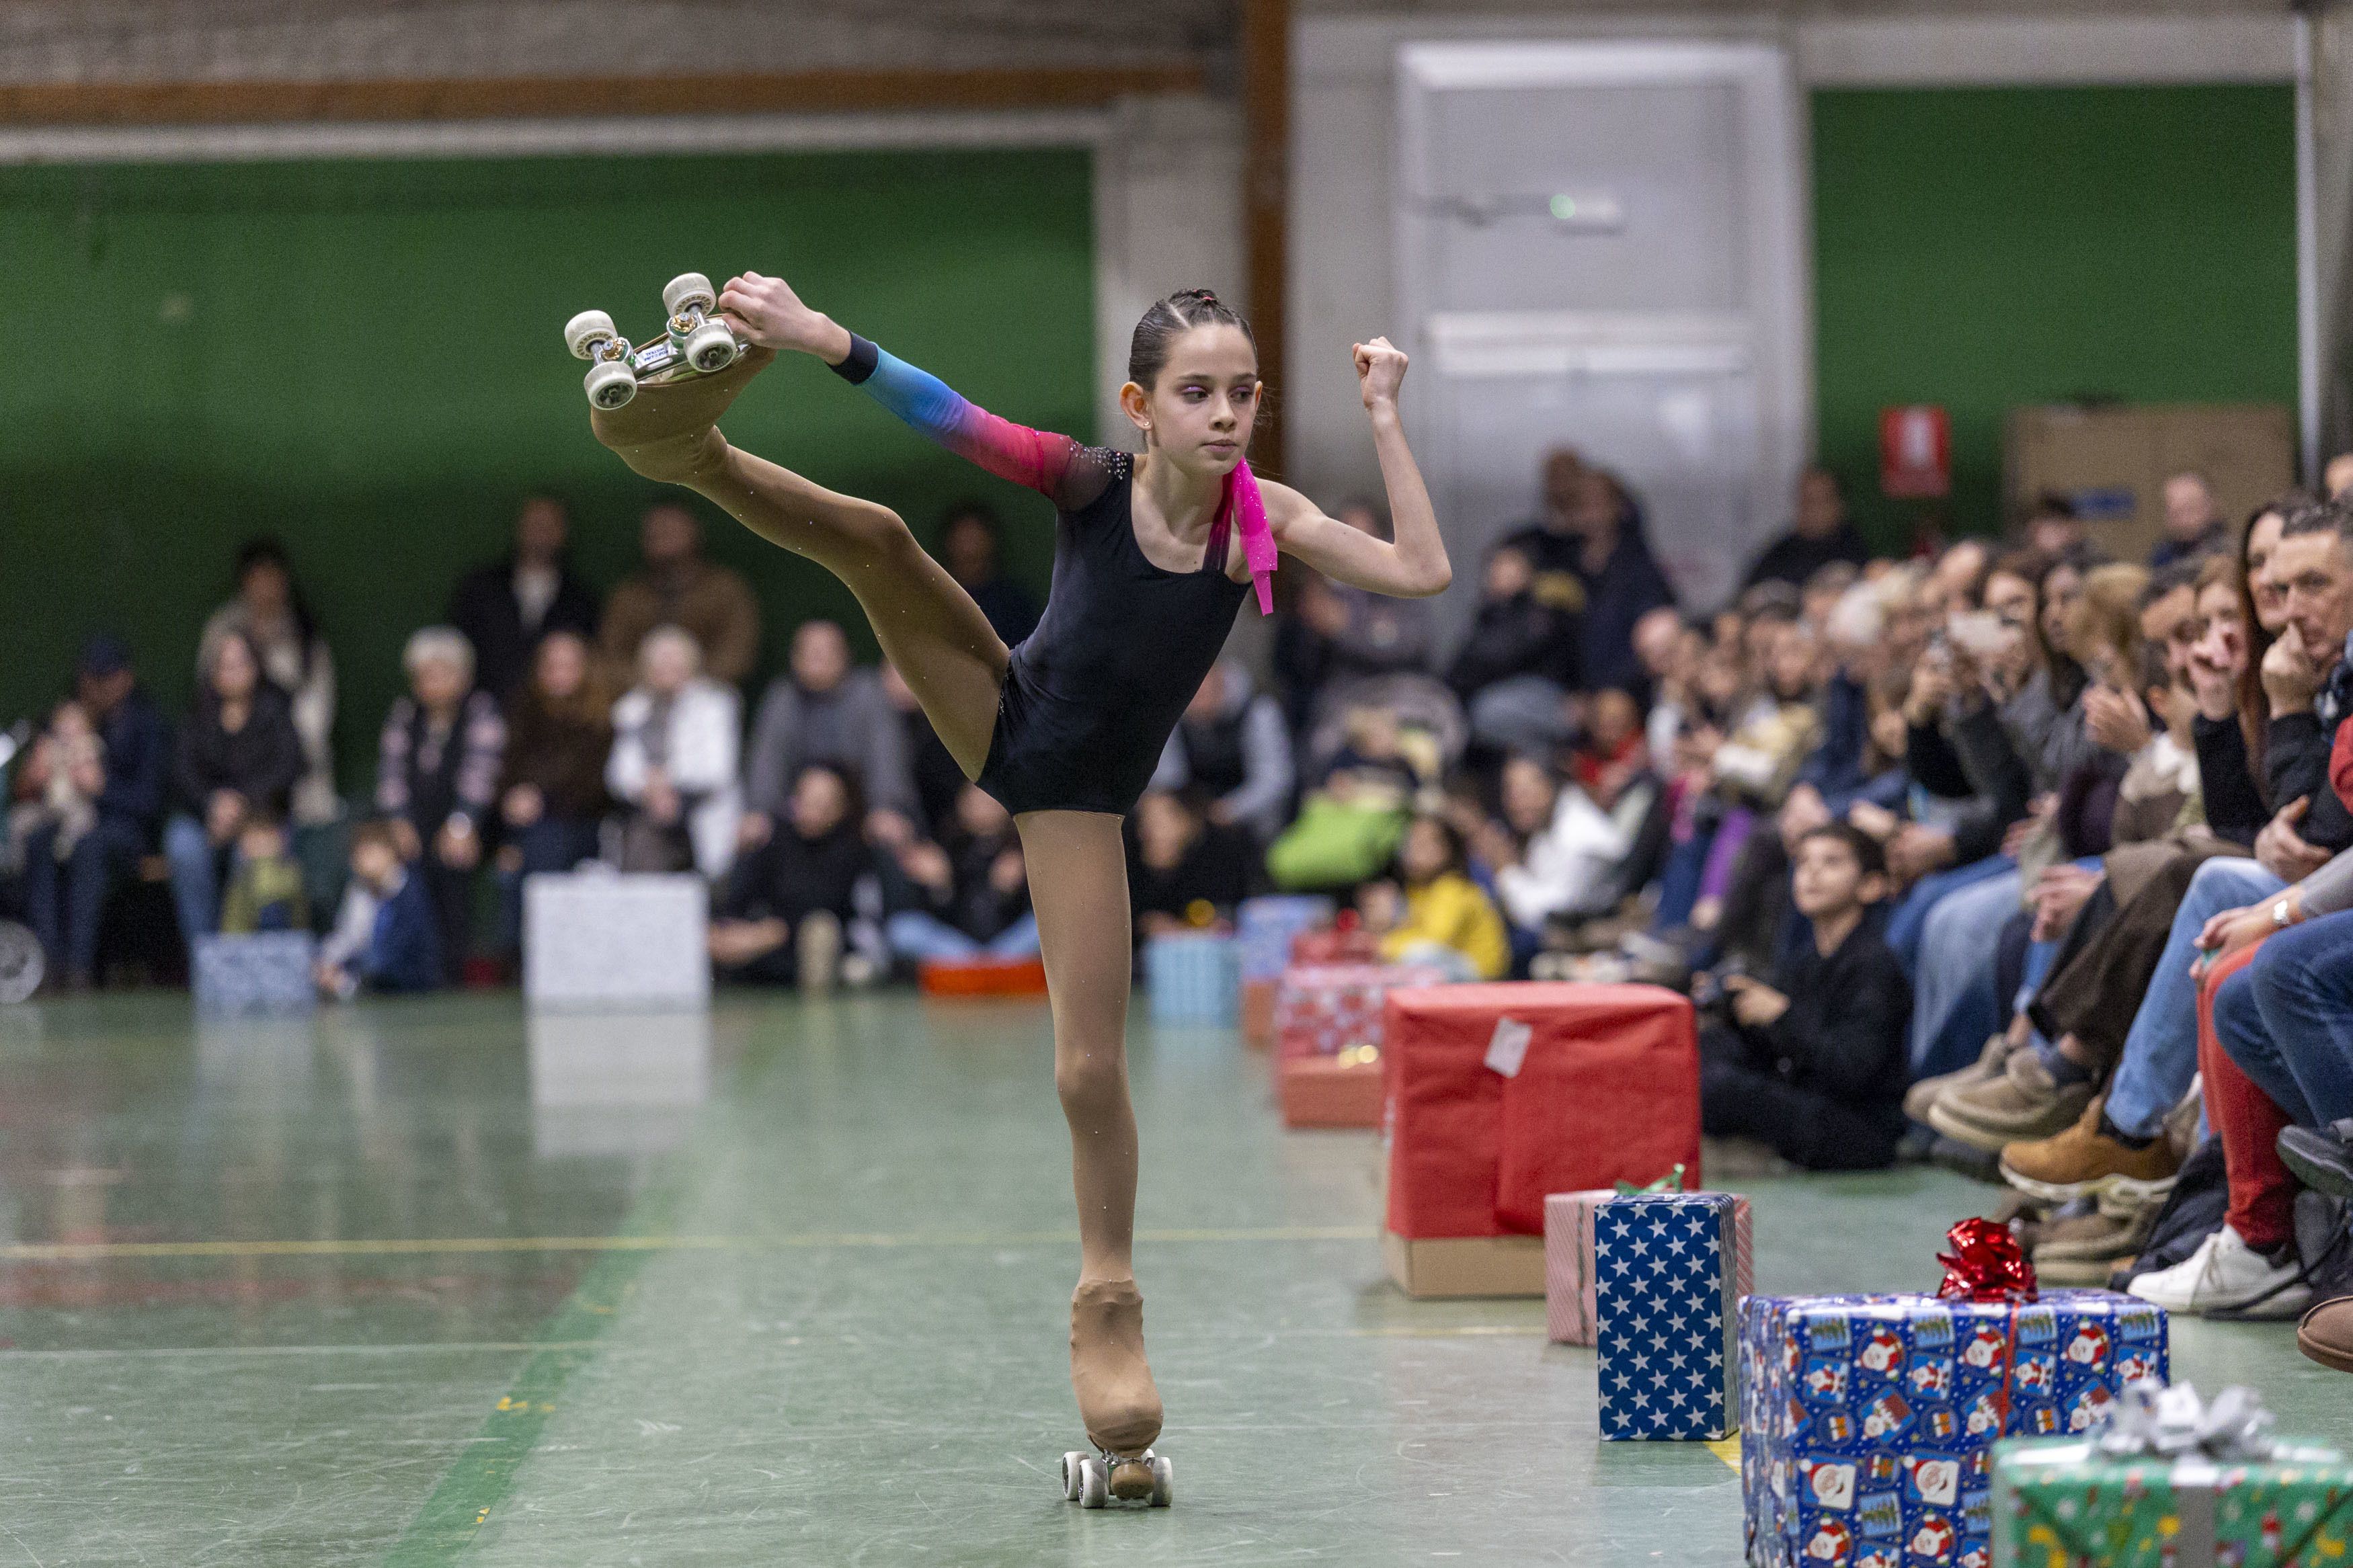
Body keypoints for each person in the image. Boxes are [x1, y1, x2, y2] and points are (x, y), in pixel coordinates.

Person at [584, 272, 1450, 1488]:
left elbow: (1420, 569)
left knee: (1088, 1064)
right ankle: (693, 450)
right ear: (1140, 406)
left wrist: (1385, 412)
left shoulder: (1264, 518)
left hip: (1074, 797)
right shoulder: (1093, 480)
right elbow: (953, 416)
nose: (1225, 414)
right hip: (1007, 711)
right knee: (881, 538)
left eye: (1243, 392)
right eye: (1196, 392)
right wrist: (820, 335)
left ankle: (1109, 1291)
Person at [1700, 823, 1911, 1169]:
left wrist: (1781, 1015)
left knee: (1724, 1090)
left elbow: (1852, 1071)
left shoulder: (1874, 964)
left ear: (1871, 886)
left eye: (1831, 862)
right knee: (1705, 1048)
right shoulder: (1807, 959)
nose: (1811, 872)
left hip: (1858, 1129)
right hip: (1811, 1100)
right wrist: (1734, 1009)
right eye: (1803, 862)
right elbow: (1781, 1050)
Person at [19, 636, 169, 990]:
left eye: (106, 678)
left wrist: (100, 789)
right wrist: (33, 777)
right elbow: (28, 792)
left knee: (90, 846)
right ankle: (47, 965)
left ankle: (79, 969)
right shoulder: (63, 717)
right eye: (90, 678)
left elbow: (148, 804)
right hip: (63, 824)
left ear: (125, 679)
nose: (96, 688)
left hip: (123, 832)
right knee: (39, 842)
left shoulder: (147, 726)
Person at [374, 628, 505, 985]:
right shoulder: (405, 715)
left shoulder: (481, 712)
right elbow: (391, 776)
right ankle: (409, 971)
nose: (431, 682)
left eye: (440, 673)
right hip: (415, 822)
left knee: (454, 863)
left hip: (472, 823)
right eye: (423, 675)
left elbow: (483, 774)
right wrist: (399, 821)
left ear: (462, 676)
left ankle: (453, 972)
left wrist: (463, 824)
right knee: (402, 870)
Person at [163, 629, 303, 947]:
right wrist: (213, 806)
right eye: (225, 665)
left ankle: (258, 959)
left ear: (256, 667)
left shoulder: (275, 711)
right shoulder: (198, 715)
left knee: (258, 852)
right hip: (207, 820)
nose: (234, 672)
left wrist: (245, 808)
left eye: (241, 663)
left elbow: (288, 768)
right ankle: (207, 958)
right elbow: (182, 774)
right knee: (183, 845)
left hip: (263, 817)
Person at [197, 538, 339, 829]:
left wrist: (290, 743)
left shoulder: (303, 629)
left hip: (292, 756)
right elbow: (206, 693)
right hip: (231, 757)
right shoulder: (224, 626)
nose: (266, 586)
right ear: (244, 581)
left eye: (273, 577)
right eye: (257, 577)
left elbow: (320, 704)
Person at [742, 620, 916, 848]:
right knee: (754, 835)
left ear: (845, 655)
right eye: (810, 651)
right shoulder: (782, 696)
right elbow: (767, 761)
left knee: (890, 832)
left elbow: (886, 758)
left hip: (859, 815)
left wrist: (887, 807)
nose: (818, 658)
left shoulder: (869, 692)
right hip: (796, 817)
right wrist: (760, 810)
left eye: (826, 650)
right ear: (795, 657)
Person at [493, 630, 613, 952]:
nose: (560, 674)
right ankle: (522, 951)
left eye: (569, 666)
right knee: (522, 851)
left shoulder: (602, 722)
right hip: (526, 828)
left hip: (583, 826)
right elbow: (504, 774)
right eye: (552, 665)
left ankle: (539, 951)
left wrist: (539, 799)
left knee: (545, 845)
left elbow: (596, 789)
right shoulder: (523, 714)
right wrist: (513, 798)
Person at [709, 762, 871, 992]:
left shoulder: (851, 849)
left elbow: (828, 907)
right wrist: (729, 931)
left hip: (811, 949)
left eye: (824, 803)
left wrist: (771, 933)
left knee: (821, 931)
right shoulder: (773, 839)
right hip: (761, 948)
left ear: (841, 808)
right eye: (808, 798)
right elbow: (739, 898)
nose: (815, 809)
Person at [606, 626, 742, 880]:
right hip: (647, 809)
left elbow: (719, 770)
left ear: (691, 665)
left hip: (701, 809)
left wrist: (668, 780)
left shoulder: (715, 705)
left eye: (675, 662)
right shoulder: (630, 708)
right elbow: (618, 776)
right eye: (660, 663)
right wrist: (650, 789)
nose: (667, 669)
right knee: (647, 833)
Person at [447, 494, 602, 699]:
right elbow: (456, 650)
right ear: (519, 527)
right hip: (486, 708)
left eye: (549, 525)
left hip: (555, 714)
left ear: (564, 531)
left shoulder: (581, 599)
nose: (541, 533)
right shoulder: (480, 589)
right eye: (535, 524)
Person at [600, 502, 762, 688]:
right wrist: (654, 681)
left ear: (695, 532)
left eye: (671, 529)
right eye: (655, 531)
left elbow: (739, 654)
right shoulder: (628, 596)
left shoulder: (725, 589)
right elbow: (611, 657)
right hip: (642, 693)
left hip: (709, 692)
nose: (663, 535)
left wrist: (687, 679)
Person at [1447, 539, 1581, 757]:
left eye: (1510, 566)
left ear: (1528, 573)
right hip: (1505, 694)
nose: (1500, 573)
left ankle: (1551, 761)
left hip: (1548, 698)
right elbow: (1464, 661)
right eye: (1496, 566)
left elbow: (1494, 658)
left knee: (1488, 712)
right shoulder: (1489, 613)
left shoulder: (1540, 613)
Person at [883, 782, 1041, 965]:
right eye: (975, 801)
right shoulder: (946, 844)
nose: (983, 808)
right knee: (903, 929)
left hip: (1007, 943)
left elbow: (1031, 915)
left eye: (989, 801)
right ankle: (984, 968)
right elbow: (938, 917)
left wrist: (1004, 893)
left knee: (1040, 929)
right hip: (959, 946)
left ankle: (982, 968)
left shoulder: (1023, 848)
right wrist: (942, 887)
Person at [1146, 660, 1294, 845]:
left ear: (1221, 682)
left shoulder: (1258, 711)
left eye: (1206, 693)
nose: (1199, 702)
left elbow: (1275, 780)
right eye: (1194, 695)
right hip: (1195, 819)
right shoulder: (1177, 717)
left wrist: (1230, 810)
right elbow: (1167, 780)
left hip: (1251, 824)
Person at [1357, 813, 1509, 981]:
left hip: (1482, 975)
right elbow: (1409, 933)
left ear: (1447, 849)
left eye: (1423, 844)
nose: (1412, 851)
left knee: (1418, 958)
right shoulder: (1417, 890)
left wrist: (1383, 945)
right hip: (1449, 967)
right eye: (1409, 843)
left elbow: (1434, 942)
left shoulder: (1454, 887)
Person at [315, 817, 441, 999]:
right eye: (360, 854)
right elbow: (347, 937)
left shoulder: (410, 892)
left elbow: (393, 954)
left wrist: (352, 979)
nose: (365, 860)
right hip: (370, 979)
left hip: (409, 986)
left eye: (371, 852)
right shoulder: (358, 892)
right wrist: (326, 962)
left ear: (390, 852)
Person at [1127, 788, 1254, 938]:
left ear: (1189, 822)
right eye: (1144, 821)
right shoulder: (1130, 860)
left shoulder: (1220, 858)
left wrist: (1182, 929)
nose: (1148, 831)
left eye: (1160, 822)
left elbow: (1228, 919)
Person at [1741, 466, 1870, 591]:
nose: (1811, 510)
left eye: (1819, 501)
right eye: (1806, 500)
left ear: (1838, 505)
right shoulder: (1781, 552)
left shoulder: (1853, 550)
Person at [939, 501, 1041, 647]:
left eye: (976, 539)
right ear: (948, 544)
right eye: (963, 539)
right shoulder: (933, 598)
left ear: (992, 543)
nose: (969, 550)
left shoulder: (1014, 605)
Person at [219, 815, 307, 935]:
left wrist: (264, 864)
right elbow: (231, 923)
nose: (259, 844)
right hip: (244, 945)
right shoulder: (240, 879)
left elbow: (270, 895)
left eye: (265, 836)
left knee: (271, 910)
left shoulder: (291, 871)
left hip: (286, 940)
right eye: (252, 837)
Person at [2150, 471, 2229, 568]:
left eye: (2190, 509)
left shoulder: (2226, 551)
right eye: (2175, 513)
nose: (2183, 520)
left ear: (2211, 507)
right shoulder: (2162, 554)